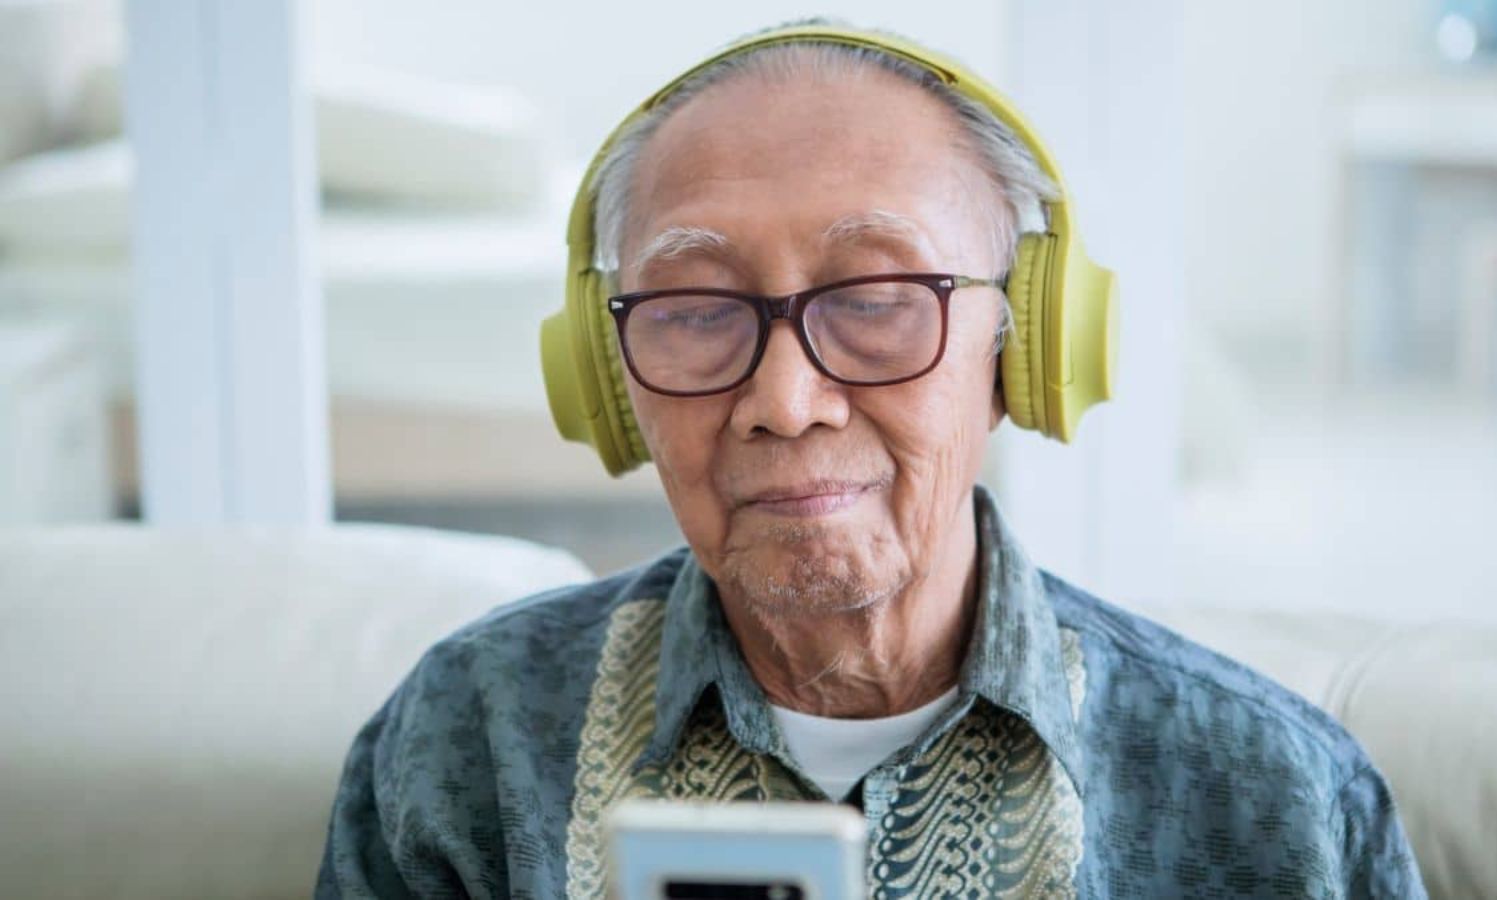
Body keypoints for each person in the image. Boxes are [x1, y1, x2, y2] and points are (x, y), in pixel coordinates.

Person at [317, 20, 1426, 898]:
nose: (785, 402)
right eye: (697, 311)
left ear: (1023, 347)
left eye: (878, 300)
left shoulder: (1275, 797)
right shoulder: (468, 738)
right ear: (609, 383)